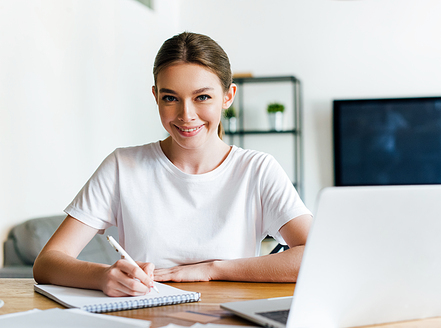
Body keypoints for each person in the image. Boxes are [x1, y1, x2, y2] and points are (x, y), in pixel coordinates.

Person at [33, 32, 312, 297]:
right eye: (170, 98)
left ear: (228, 96)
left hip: (230, 317)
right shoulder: (123, 166)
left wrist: (211, 270)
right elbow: (47, 262)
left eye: (202, 97)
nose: (186, 115)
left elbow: (317, 254)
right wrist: (103, 276)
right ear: (156, 96)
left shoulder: (257, 170)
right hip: (145, 317)